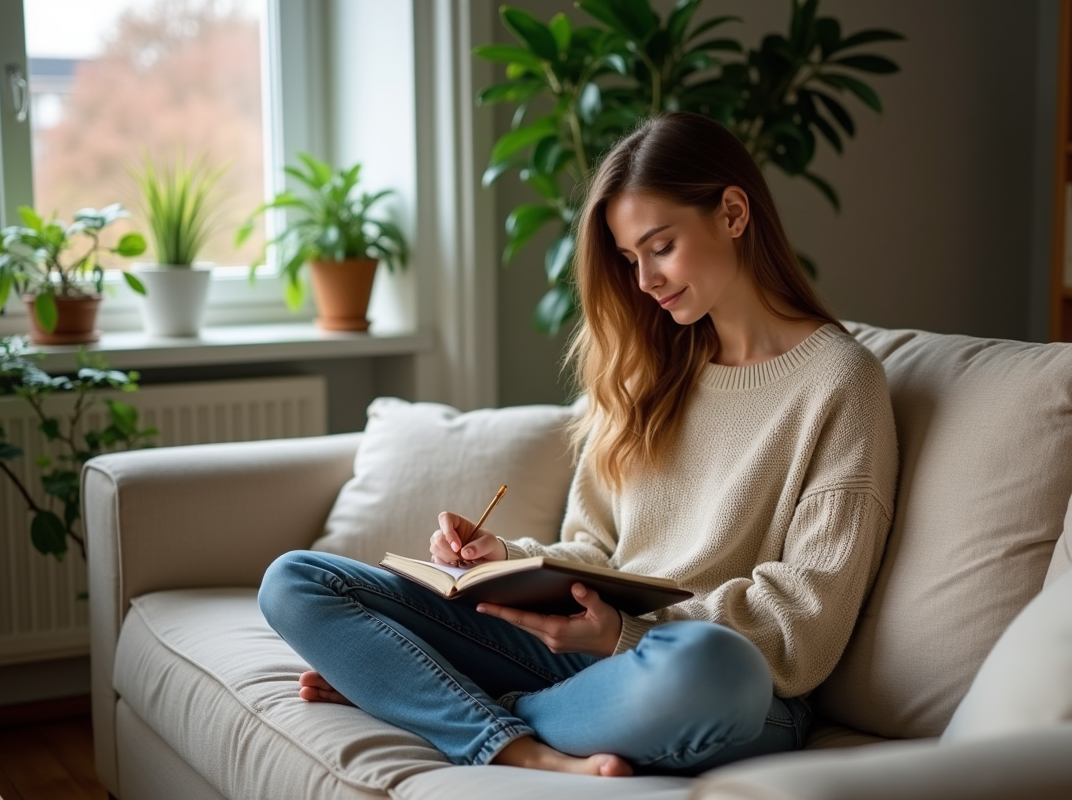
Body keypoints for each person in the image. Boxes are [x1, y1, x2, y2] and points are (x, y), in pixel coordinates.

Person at [258, 111, 898, 778]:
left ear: (733, 214)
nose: (645, 281)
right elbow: (594, 551)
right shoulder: (647, 371)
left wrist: (626, 634)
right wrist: (507, 561)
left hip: (722, 685)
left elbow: (805, 624)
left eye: (661, 247)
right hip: (584, 660)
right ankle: (509, 740)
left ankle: (437, 700)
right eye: (629, 260)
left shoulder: (840, 382)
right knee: (297, 581)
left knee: (712, 665)